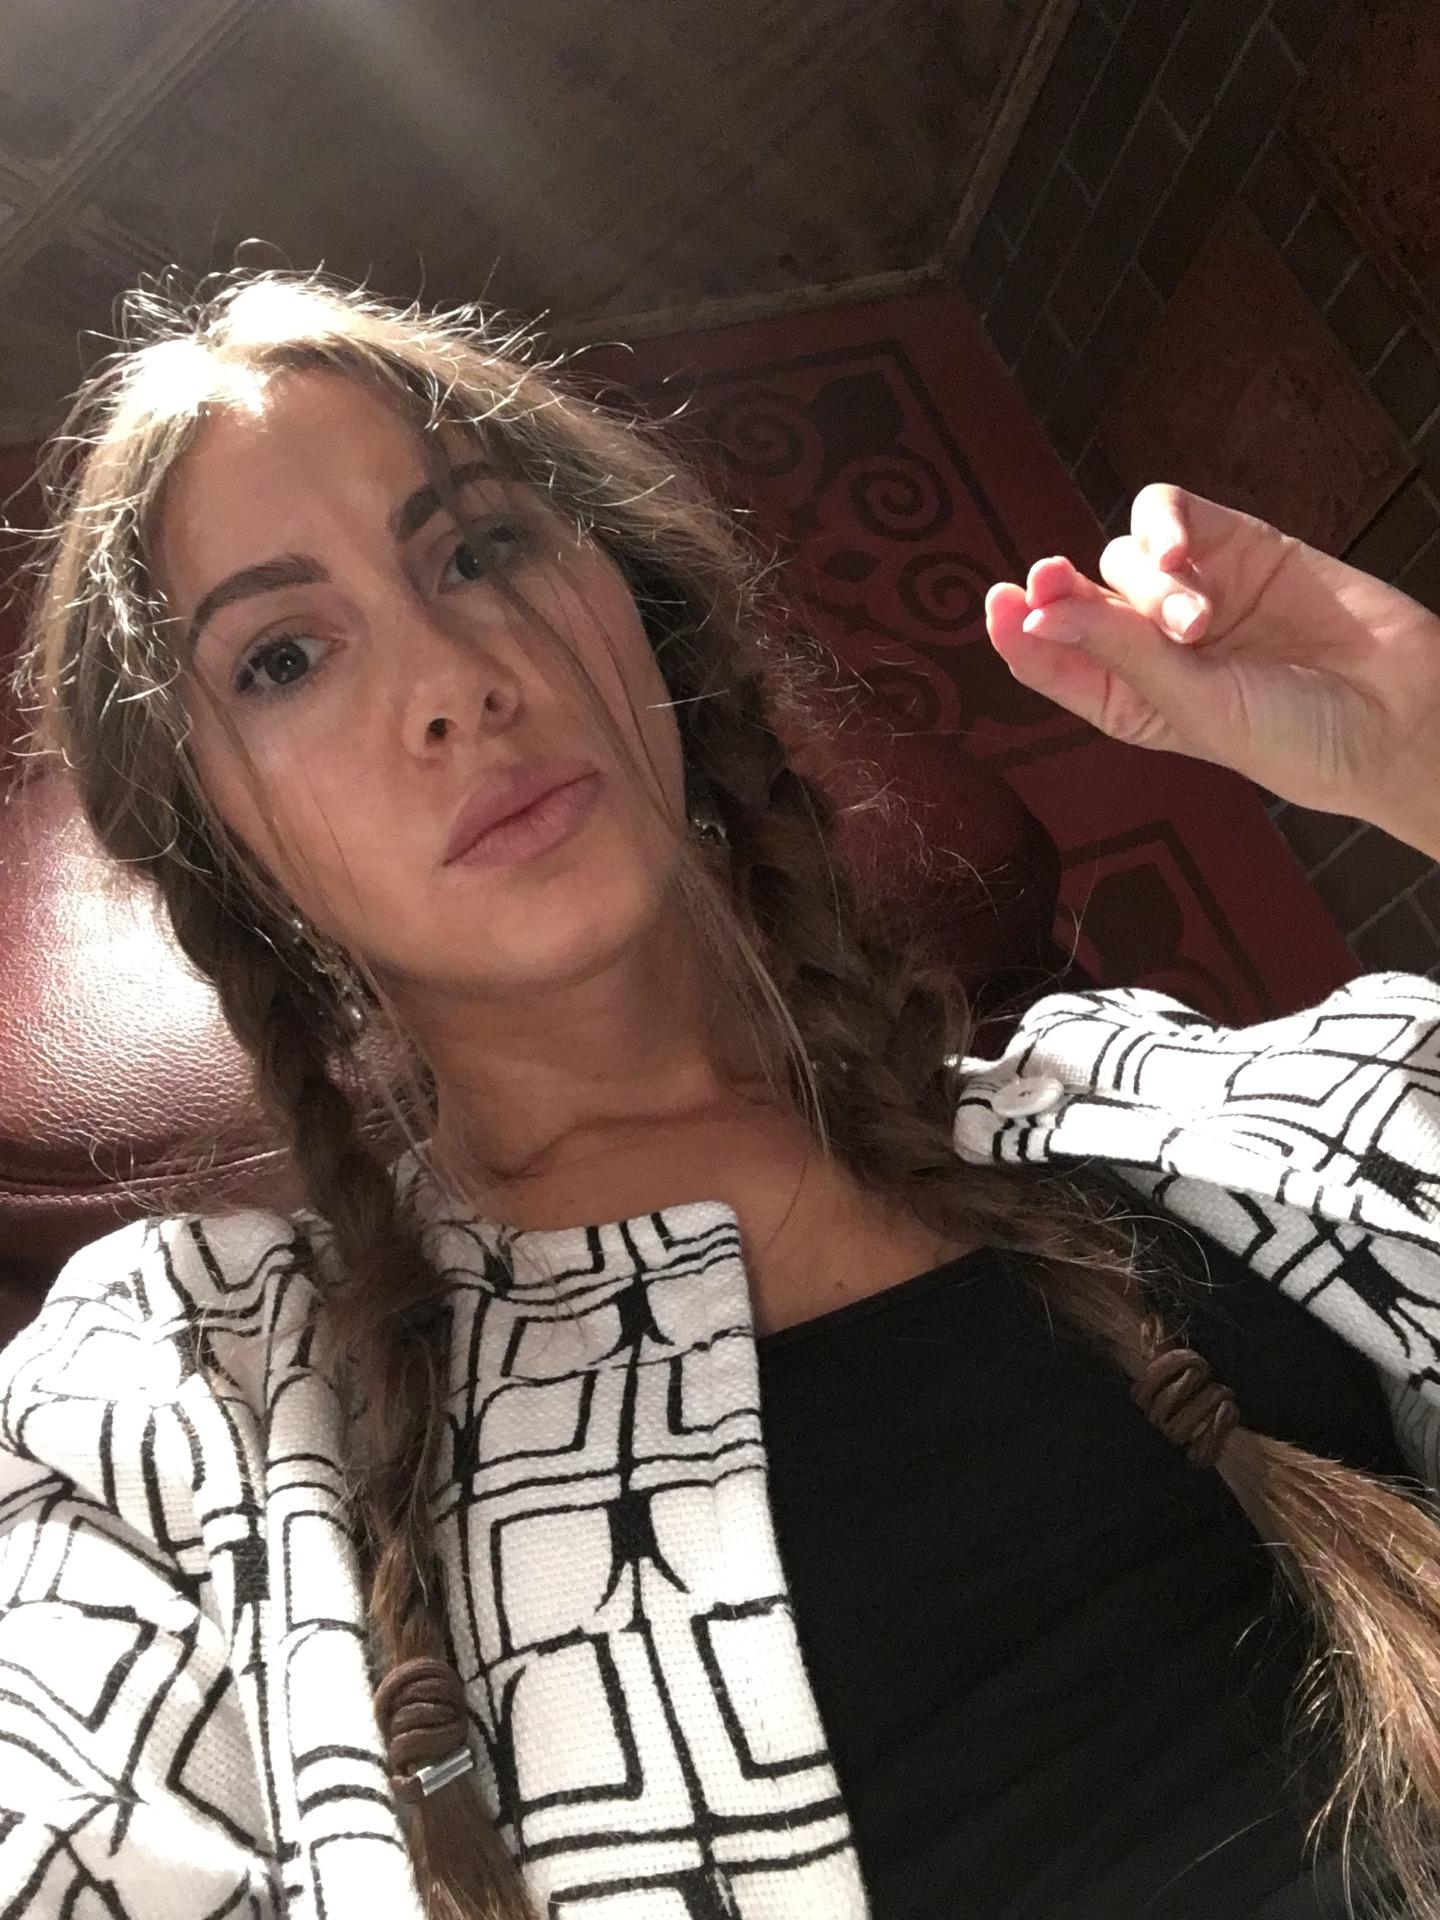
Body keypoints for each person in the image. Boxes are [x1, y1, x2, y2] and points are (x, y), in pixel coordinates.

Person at [0, 271, 1437, 1920]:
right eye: (283, 658)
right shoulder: (193, 1390)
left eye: (478, 549)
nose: (453, 682)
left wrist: (1416, 740)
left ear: (640, 614)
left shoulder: (1115, 1093)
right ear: (220, 851)